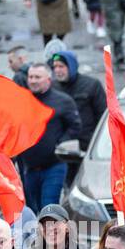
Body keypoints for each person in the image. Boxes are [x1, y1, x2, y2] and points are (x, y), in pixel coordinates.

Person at [19, 63, 81, 210]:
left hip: (54, 165)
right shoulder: (22, 100)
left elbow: (75, 126)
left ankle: (51, 233)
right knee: (32, 209)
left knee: (49, 208)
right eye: (30, 77)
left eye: (37, 77)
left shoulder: (63, 101)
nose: (33, 80)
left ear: (48, 79)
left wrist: (60, 144)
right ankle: (37, 234)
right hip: (29, 167)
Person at [50, 52, 106, 153]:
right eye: (55, 67)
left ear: (71, 66)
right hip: (61, 145)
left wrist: (97, 140)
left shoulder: (92, 85)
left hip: (87, 144)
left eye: (61, 66)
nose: (57, 70)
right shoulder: (52, 87)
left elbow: (102, 115)